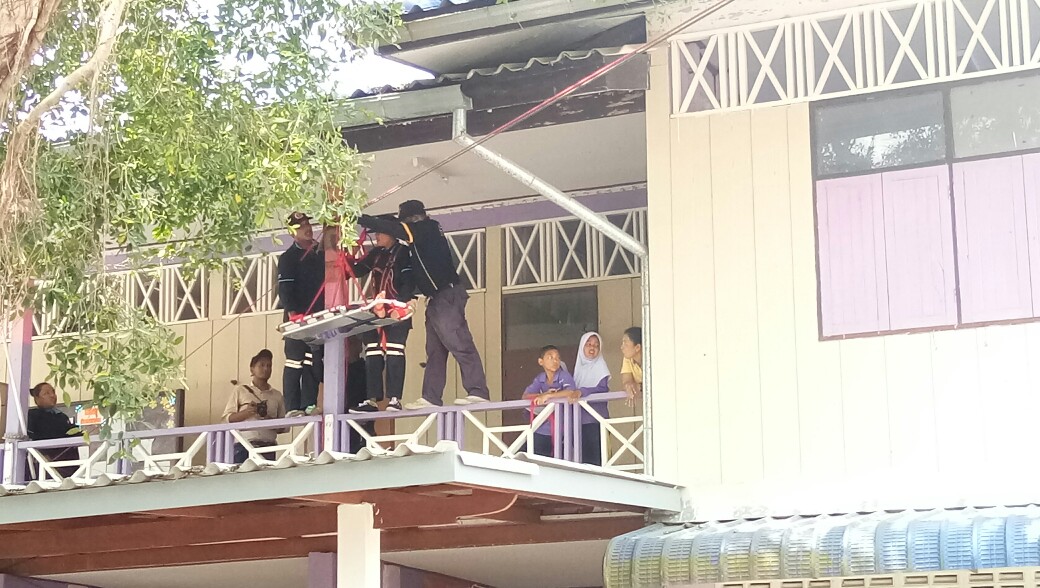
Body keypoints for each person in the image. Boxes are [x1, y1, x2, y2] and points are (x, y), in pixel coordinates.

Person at [358, 200, 490, 409]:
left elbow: (393, 229)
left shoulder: (426, 228)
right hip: (436, 298)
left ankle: (478, 391)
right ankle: (431, 397)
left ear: (413, 219)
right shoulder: (422, 233)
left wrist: (357, 217)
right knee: (435, 351)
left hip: (446, 295)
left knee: (460, 343)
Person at [349, 220, 415, 414]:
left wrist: (399, 306)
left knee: (395, 351)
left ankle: (394, 399)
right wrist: (347, 258)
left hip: (397, 310)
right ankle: (371, 400)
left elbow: (409, 282)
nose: (376, 236)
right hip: (377, 310)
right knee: (372, 352)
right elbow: (357, 270)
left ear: (391, 234)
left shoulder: (403, 253)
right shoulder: (376, 254)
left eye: (380, 232)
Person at [278, 211, 325, 412]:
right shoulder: (288, 258)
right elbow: (285, 289)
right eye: (300, 226)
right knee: (294, 360)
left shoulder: (321, 253)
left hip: (318, 317)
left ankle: (308, 404)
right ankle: (291, 408)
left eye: (307, 224)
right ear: (292, 232)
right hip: (297, 316)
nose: (306, 228)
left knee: (311, 361)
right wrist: (292, 313)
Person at [222, 349, 287, 464]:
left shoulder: (277, 395)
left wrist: (267, 419)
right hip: (243, 446)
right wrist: (247, 412)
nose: (266, 369)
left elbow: (284, 427)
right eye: (261, 365)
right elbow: (227, 419)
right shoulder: (240, 390)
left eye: (269, 366)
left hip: (268, 447)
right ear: (252, 369)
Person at [522, 345, 581, 459]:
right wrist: (541, 395)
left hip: (562, 429)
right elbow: (525, 396)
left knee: (560, 460)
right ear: (541, 361)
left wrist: (549, 396)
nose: (555, 361)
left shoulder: (563, 375)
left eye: (558, 358)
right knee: (534, 457)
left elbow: (570, 391)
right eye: (550, 357)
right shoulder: (540, 378)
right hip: (541, 428)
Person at [573, 332, 611, 466]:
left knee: (597, 459)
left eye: (596, 345)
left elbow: (602, 388)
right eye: (588, 344)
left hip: (597, 420)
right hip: (579, 421)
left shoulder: (600, 366)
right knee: (583, 460)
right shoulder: (579, 368)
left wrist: (583, 391)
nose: (592, 348)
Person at [26, 382, 79, 479]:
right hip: (46, 466)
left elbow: (68, 433)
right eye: (46, 393)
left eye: (53, 392)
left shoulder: (62, 416)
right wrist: (43, 455)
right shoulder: (32, 416)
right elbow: (30, 437)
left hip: (68, 465)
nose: (52, 396)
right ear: (37, 399)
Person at [620, 326, 643, 407]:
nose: (621, 347)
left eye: (625, 344)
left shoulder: (652, 358)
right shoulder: (628, 358)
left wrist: (639, 387)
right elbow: (626, 380)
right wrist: (629, 386)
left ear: (637, 347)